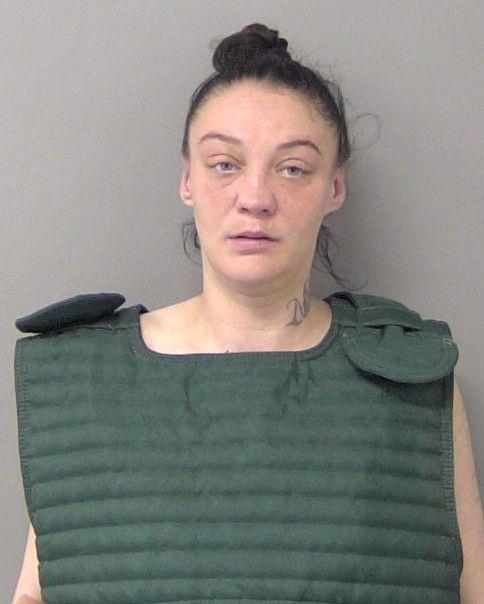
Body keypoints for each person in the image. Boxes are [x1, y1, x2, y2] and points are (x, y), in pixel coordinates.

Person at [11, 22, 483, 604]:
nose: (255, 197)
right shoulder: (82, 376)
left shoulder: (412, 373)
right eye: (224, 163)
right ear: (187, 178)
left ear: (335, 187)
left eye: (293, 168)